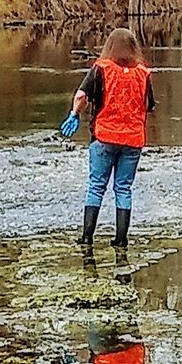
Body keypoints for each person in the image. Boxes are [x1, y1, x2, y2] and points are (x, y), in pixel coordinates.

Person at [60, 27, 155, 248]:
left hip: (104, 137)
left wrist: (74, 114)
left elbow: (82, 96)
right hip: (133, 140)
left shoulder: (100, 69)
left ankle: (87, 237)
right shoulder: (143, 73)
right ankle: (121, 239)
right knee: (123, 188)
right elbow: (148, 105)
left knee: (96, 186)